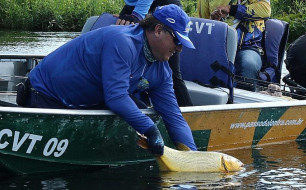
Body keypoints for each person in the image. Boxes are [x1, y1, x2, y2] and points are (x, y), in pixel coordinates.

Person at [17, 4, 197, 155]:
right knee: (142, 120)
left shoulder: (162, 70)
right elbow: (116, 97)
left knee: (141, 112)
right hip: (46, 96)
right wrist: (150, 129)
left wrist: (193, 158)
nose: (180, 49)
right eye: (178, 41)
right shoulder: (123, 43)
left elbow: (174, 117)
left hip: (88, 103)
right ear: (158, 30)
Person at [116, 0, 194, 107]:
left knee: (173, 74)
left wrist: (137, 15)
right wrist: (126, 13)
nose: (180, 48)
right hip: (136, 5)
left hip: (163, 9)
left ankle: (191, 116)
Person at [198, 0, 271, 91]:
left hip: (248, 46)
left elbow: (265, 10)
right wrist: (213, 21)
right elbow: (202, 23)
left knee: (249, 65)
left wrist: (231, 9)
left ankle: (244, 103)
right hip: (217, 46)